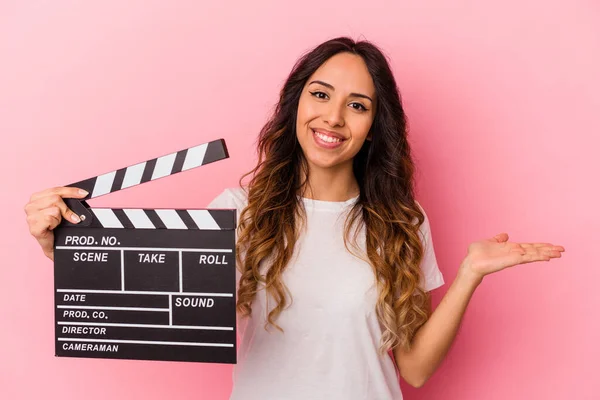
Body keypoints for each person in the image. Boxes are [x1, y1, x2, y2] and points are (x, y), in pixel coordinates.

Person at [24, 36, 565, 400]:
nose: (333, 116)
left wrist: (469, 274)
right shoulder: (240, 214)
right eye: (320, 94)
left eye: (357, 104)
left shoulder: (402, 221)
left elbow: (417, 368)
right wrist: (65, 246)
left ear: (376, 125)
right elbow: (160, 304)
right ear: (296, 104)